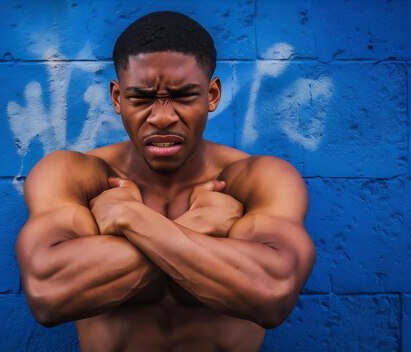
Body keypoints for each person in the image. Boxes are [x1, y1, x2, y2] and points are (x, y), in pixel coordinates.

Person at [16, 11, 315, 351]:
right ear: (116, 98)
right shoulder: (75, 175)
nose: (161, 117)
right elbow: (48, 295)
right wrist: (200, 225)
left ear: (212, 94)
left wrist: (130, 218)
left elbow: (272, 294)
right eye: (141, 99)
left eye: (184, 96)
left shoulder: (258, 179)